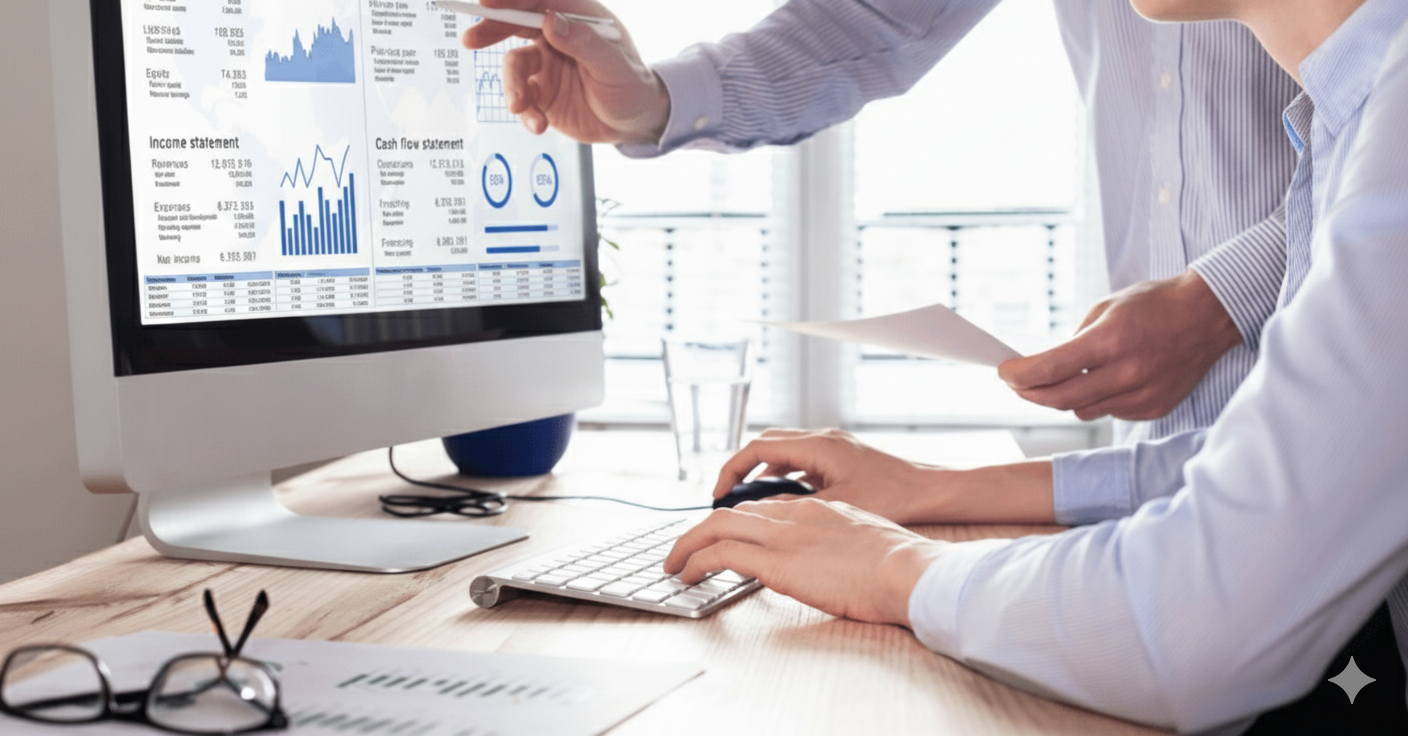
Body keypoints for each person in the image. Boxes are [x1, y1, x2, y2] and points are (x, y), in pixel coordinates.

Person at [661, 0, 1408, 732]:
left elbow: (1196, 619)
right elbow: (1262, 466)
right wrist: (929, 491)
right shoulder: (1349, 112)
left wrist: (893, 569)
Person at [465, 0, 1296, 447]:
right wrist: (653, 100)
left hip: (1346, 421)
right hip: (1164, 456)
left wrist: (1227, 298)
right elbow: (873, 22)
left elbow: (1385, 124)